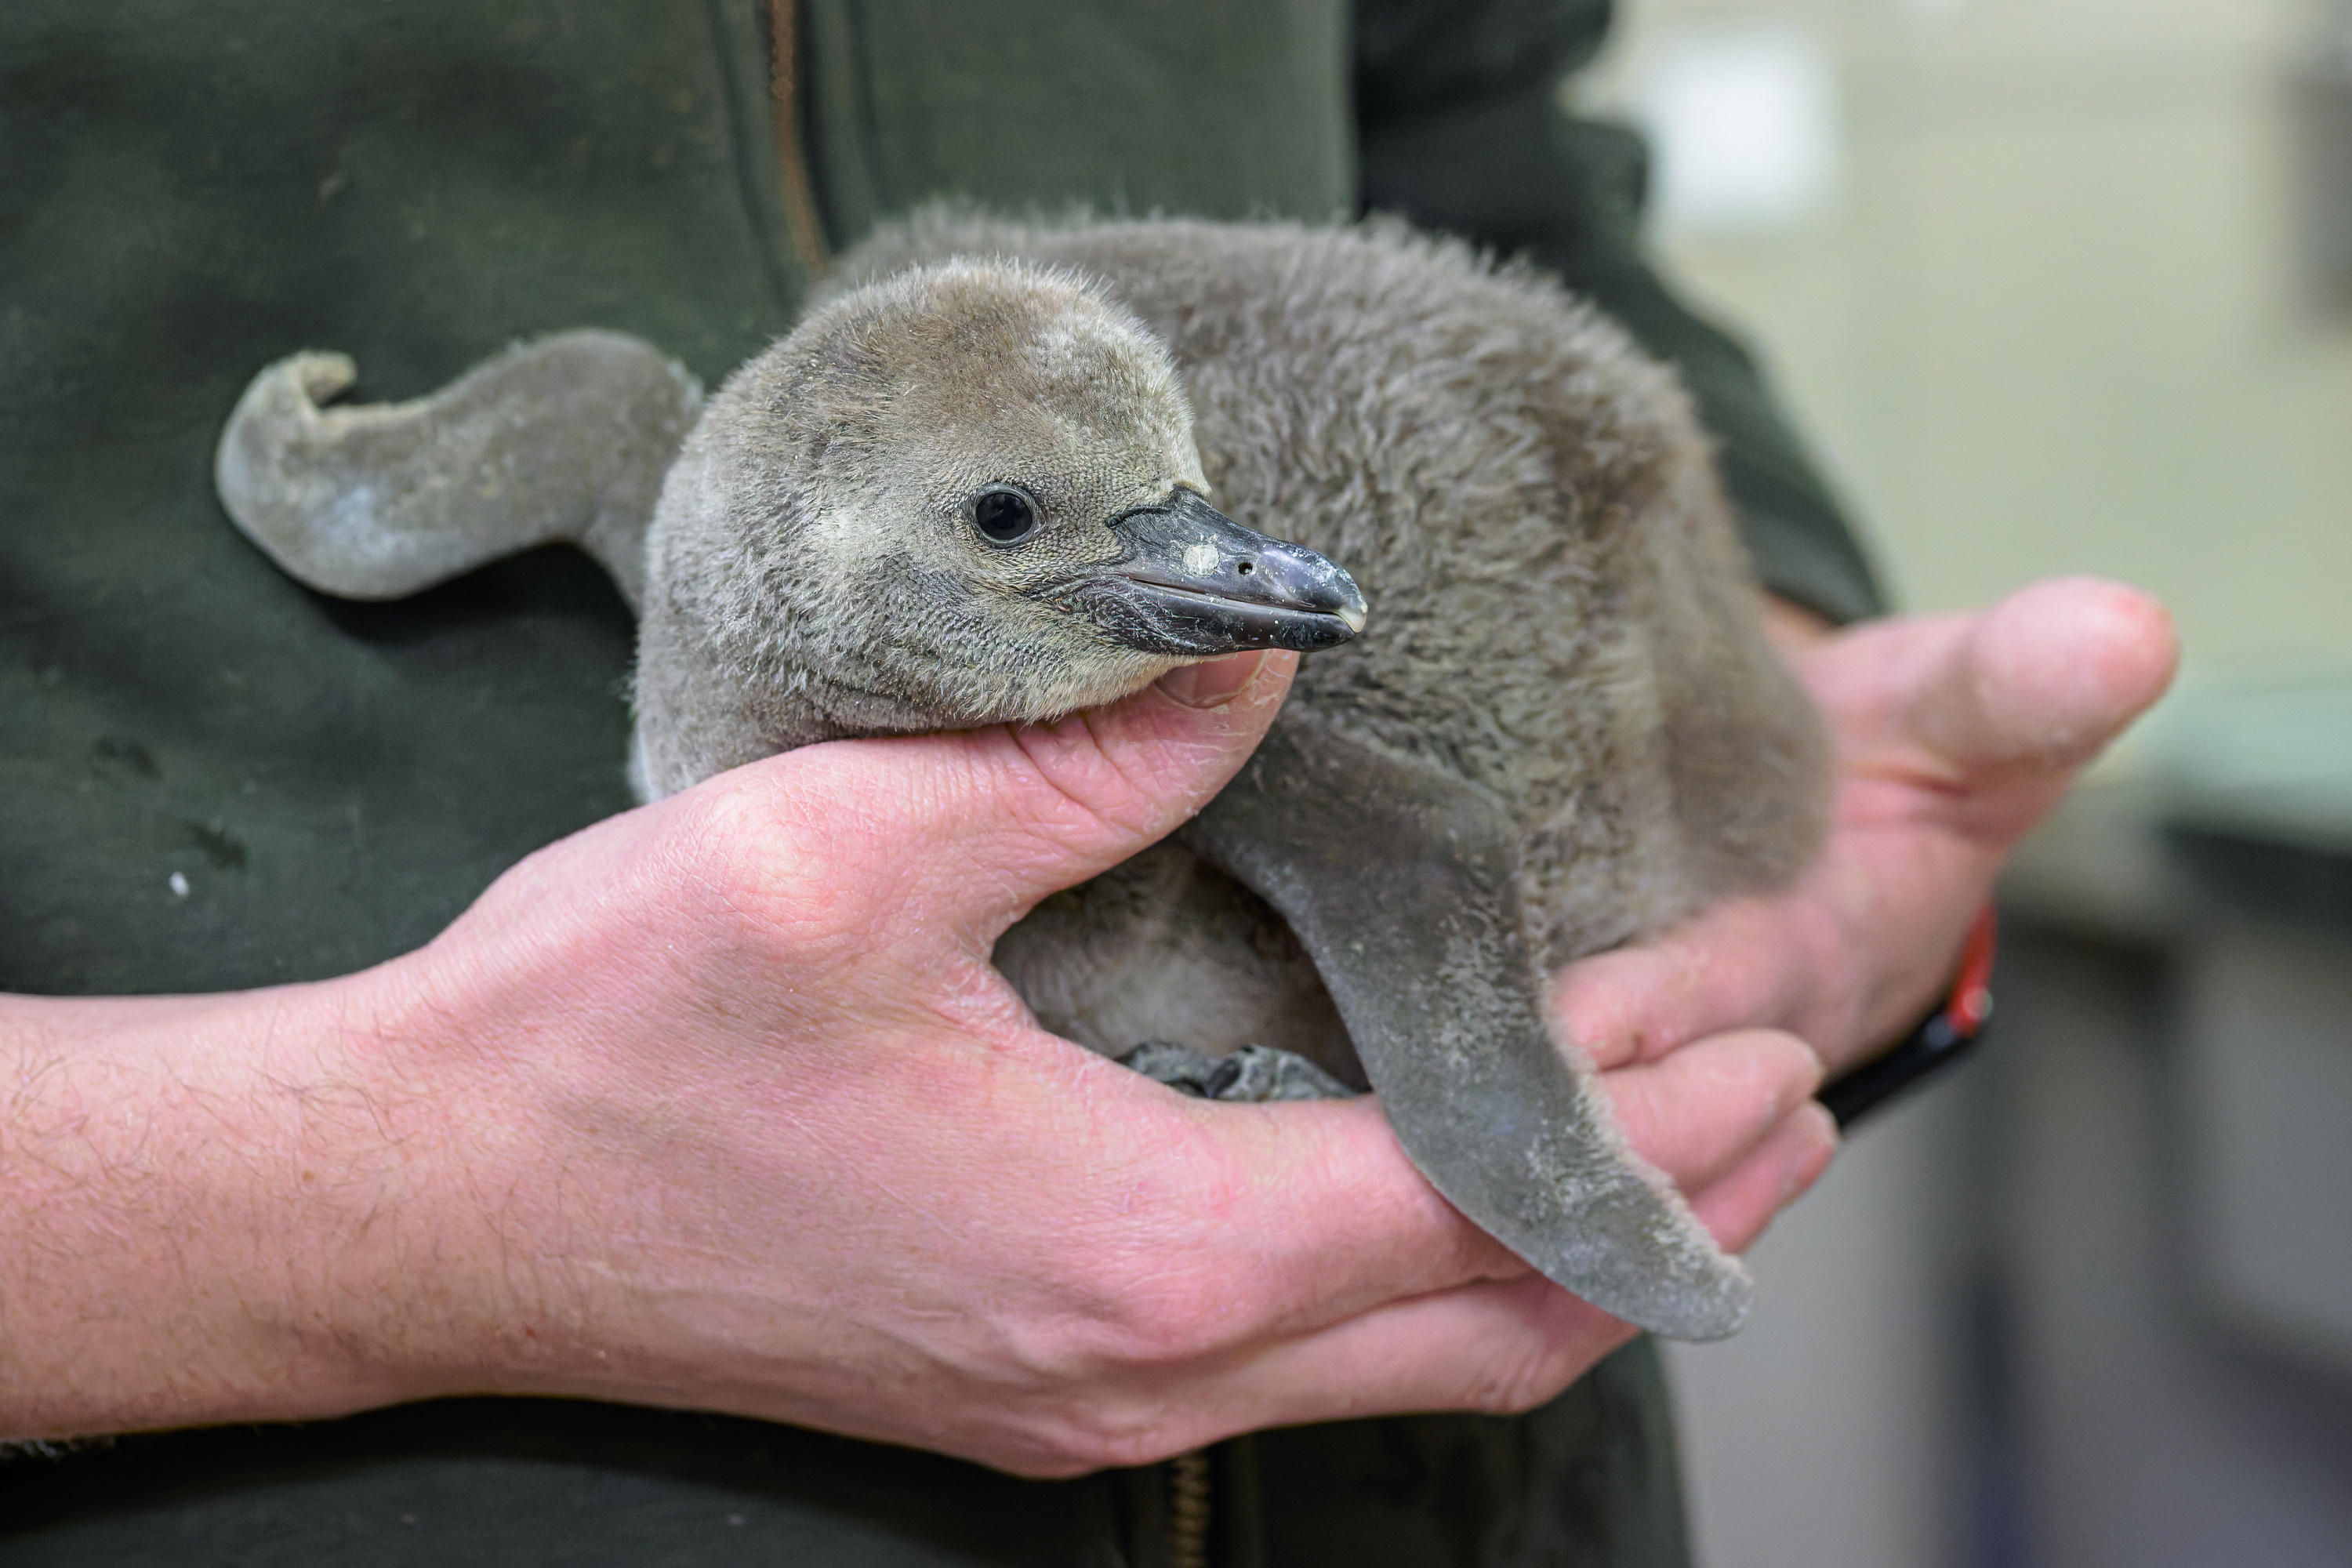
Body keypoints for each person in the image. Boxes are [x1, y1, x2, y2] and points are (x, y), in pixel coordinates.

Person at [0, 0, 2176, 1562]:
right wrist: (405, 1205)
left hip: (1444, 1488)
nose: (1226, 576)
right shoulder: (747, 542)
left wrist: (1760, 664)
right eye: (1052, 540)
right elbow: (1395, 839)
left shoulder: (1084, 618)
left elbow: (1486, 128)